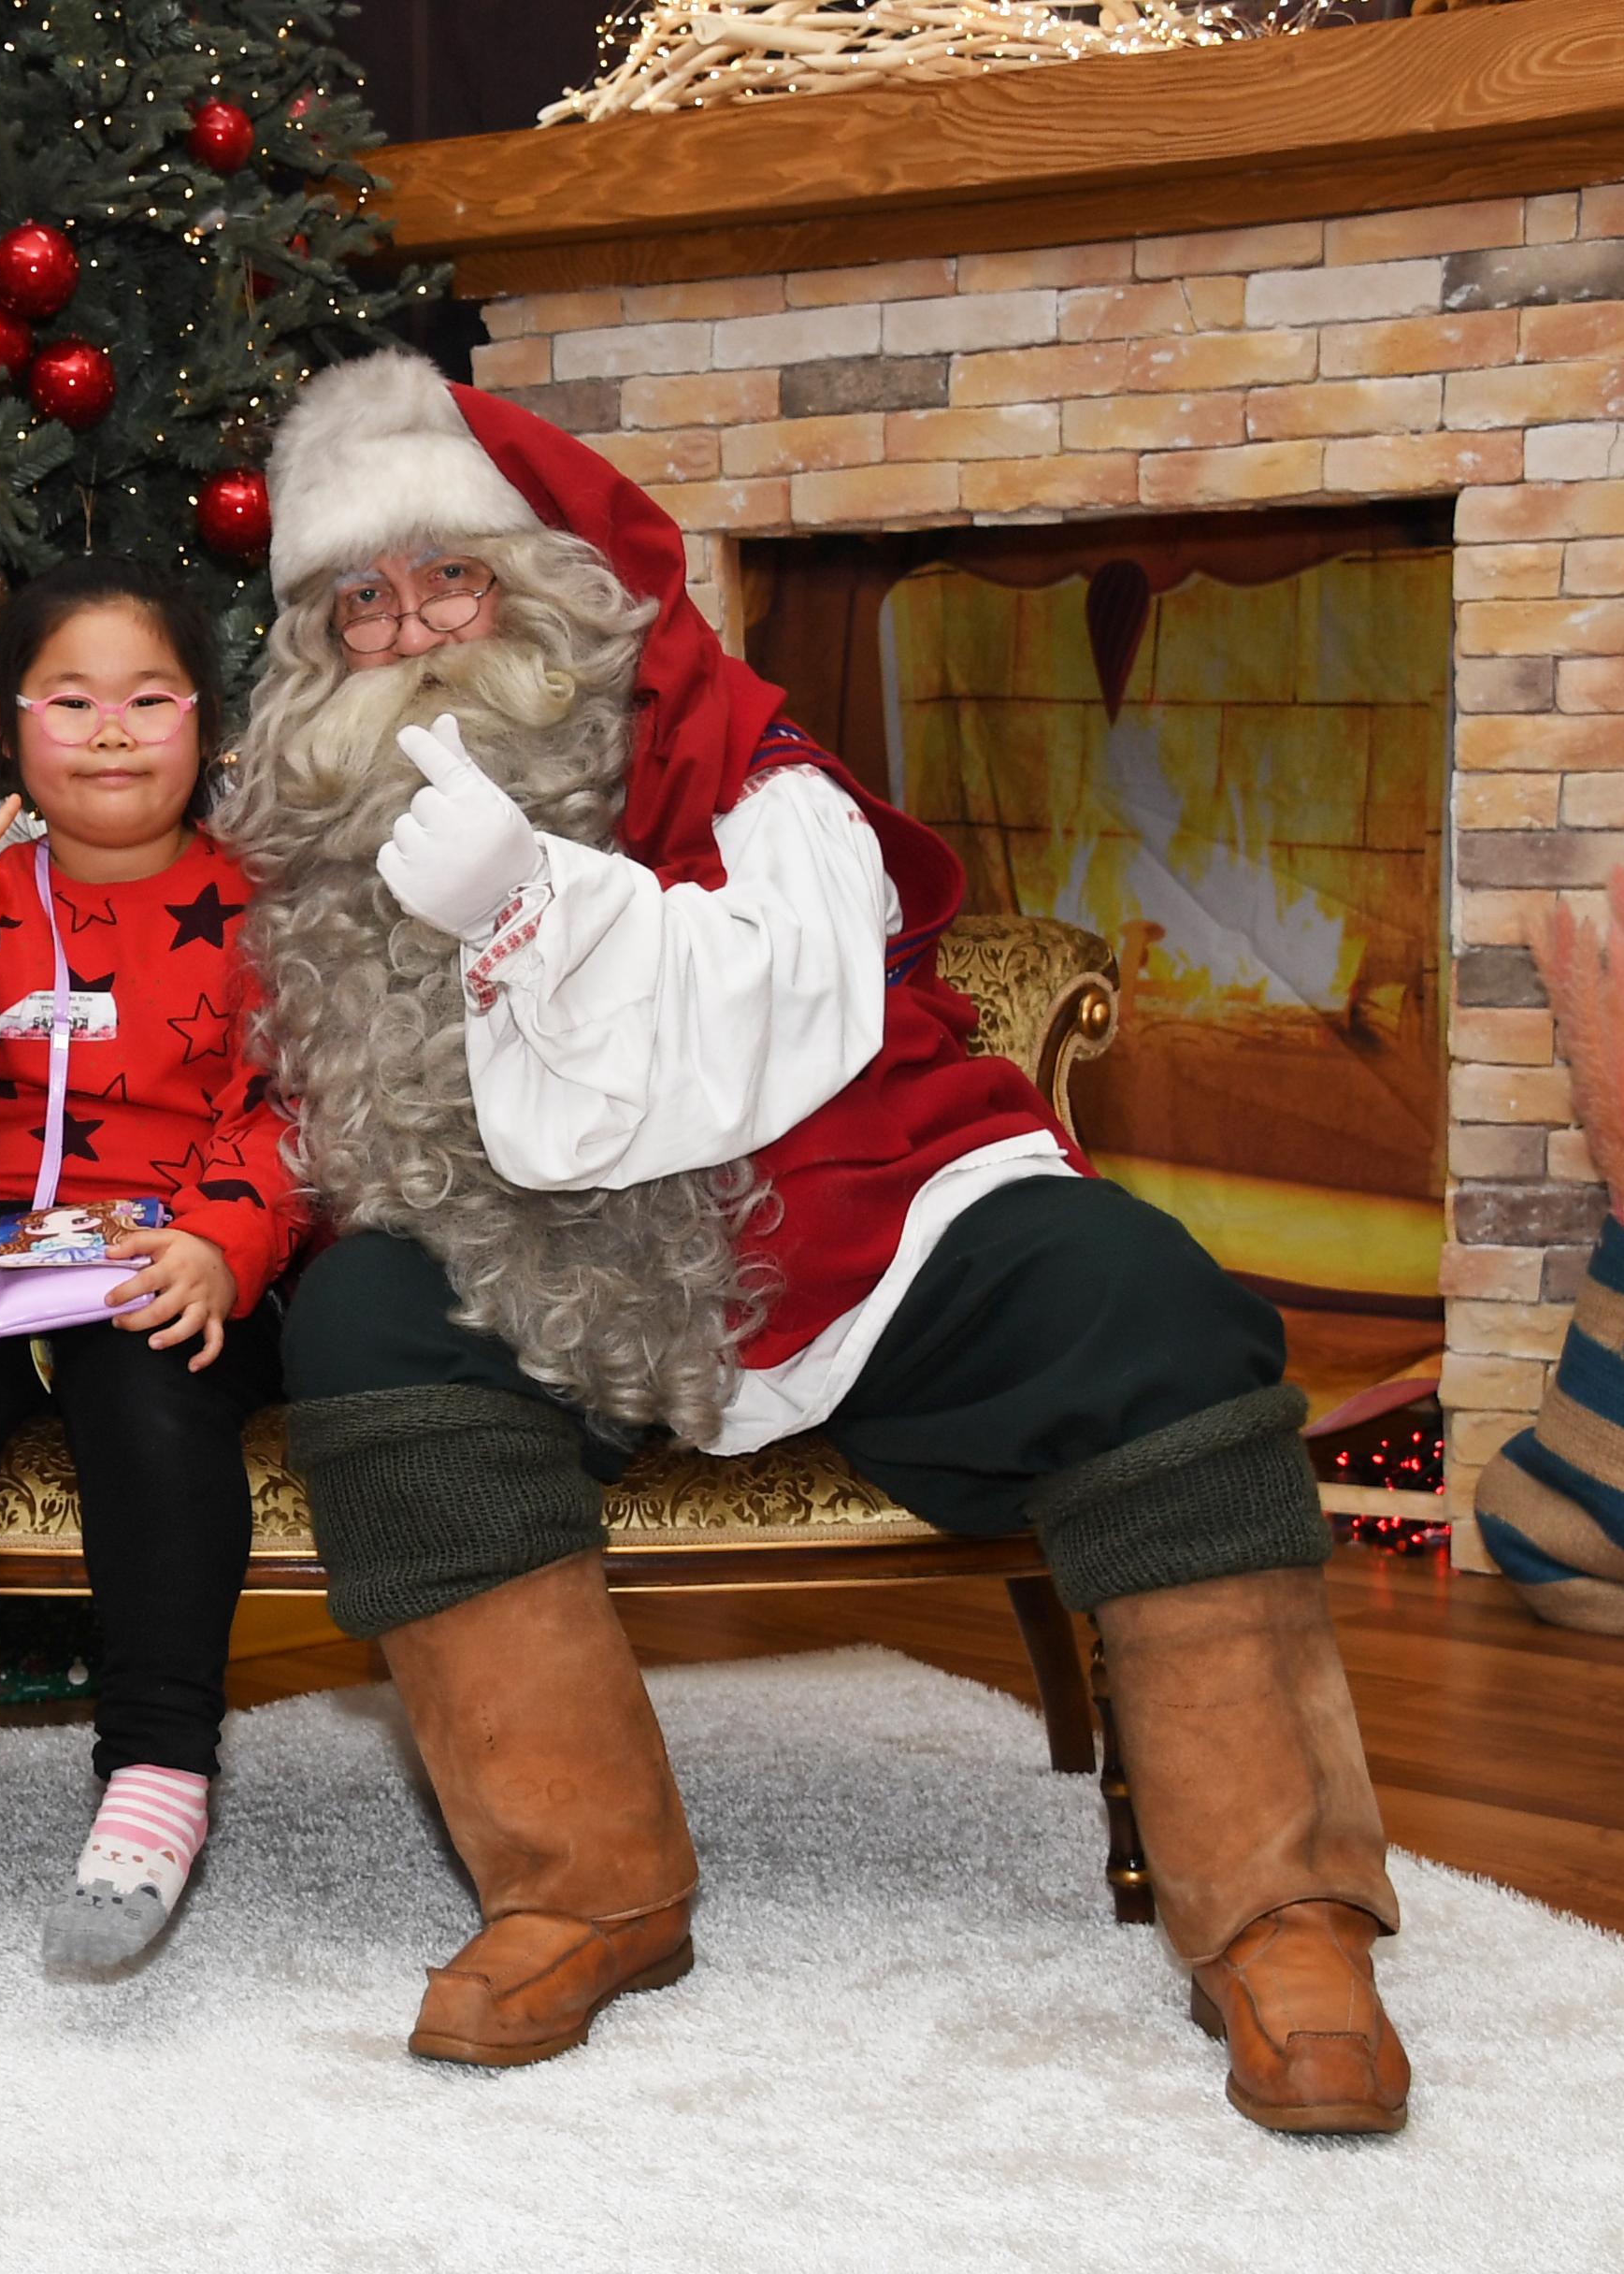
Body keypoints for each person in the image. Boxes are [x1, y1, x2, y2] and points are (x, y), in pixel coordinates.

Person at [220, 350, 1409, 2134]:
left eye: (448, 577)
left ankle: (1281, 1908)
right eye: (360, 604)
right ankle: (581, 1881)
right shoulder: (319, 831)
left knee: (1144, 1305)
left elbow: (773, 1012)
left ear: (541, 580)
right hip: (558, 1263)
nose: (410, 635)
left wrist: (531, 898)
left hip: (851, 1205)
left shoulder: (741, 755)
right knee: (377, 1330)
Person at [0, 559, 303, 1969]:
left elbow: (303, 1108)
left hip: (178, 1224)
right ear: (12, 726)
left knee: (149, 1383)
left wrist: (223, 1241)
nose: (109, 732)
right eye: (70, 701)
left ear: (205, 723)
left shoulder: (269, 901)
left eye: (148, 700)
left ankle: (157, 1777)